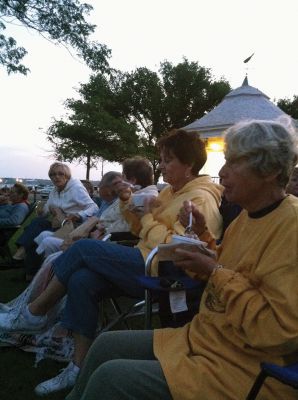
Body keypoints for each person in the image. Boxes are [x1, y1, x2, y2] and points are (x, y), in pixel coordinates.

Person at [65, 118, 298, 400]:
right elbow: (228, 269)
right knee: (104, 345)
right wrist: (203, 239)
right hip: (205, 338)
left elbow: (276, 330)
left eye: (233, 163)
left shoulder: (291, 227)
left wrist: (213, 270)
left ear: (271, 169)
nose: (221, 173)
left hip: (241, 367)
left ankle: (31, 315)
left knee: (111, 378)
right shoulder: (247, 216)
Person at [0, 129, 223, 396]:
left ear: (188, 164)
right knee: (82, 280)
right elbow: (141, 231)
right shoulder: (171, 193)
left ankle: (34, 314)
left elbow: (177, 249)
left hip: (165, 275)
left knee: (83, 249)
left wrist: (150, 219)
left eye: (167, 160)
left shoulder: (200, 199)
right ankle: (78, 367)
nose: (161, 166)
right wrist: (129, 203)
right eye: (161, 159)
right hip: (143, 260)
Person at [13, 162, 99, 278]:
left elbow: (94, 207)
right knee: (36, 226)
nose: (56, 177)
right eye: (53, 175)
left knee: (36, 227)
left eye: (60, 174)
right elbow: (46, 211)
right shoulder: (54, 191)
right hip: (60, 225)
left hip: (74, 227)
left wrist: (79, 215)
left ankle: (27, 263)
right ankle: (30, 270)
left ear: (67, 176)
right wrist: (42, 211)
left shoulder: (76, 188)